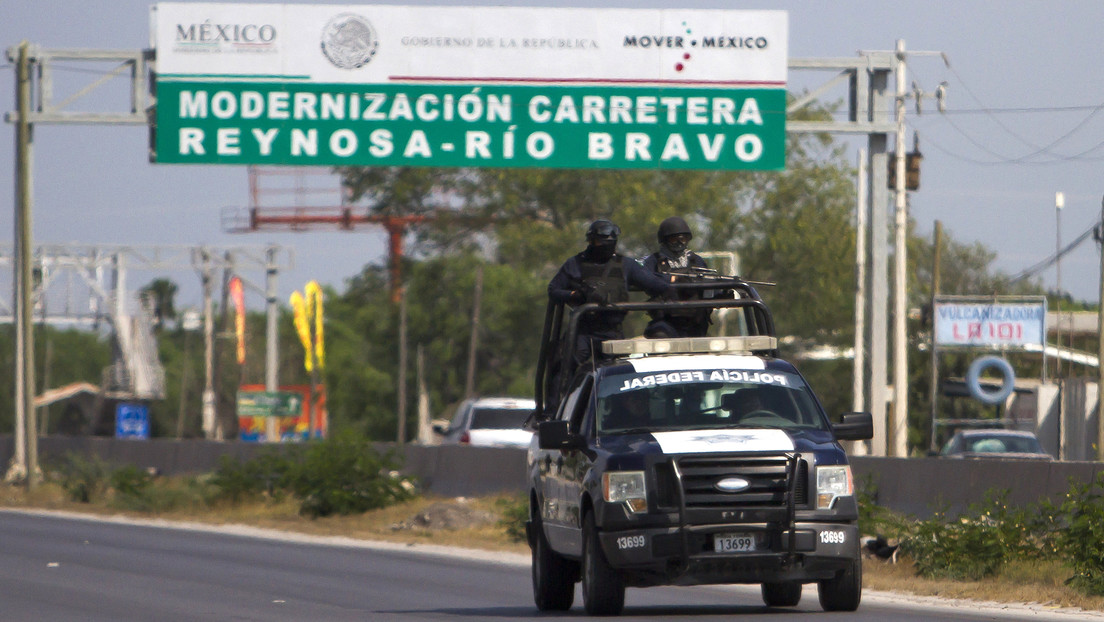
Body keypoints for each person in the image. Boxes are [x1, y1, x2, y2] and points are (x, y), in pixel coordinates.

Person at [548, 219, 674, 370]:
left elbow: (655, 284)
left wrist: (673, 279)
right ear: (591, 242)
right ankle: (562, 393)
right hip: (582, 330)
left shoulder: (626, 265)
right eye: (599, 242)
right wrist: (574, 295)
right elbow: (554, 290)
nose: (603, 247)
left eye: (609, 243)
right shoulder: (575, 263)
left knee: (617, 372)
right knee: (563, 366)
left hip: (611, 331)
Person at [643, 216, 711, 338]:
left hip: (695, 321)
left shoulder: (696, 261)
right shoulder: (654, 261)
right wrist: (672, 279)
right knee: (659, 335)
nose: (679, 243)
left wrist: (720, 291)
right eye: (674, 239)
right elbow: (646, 280)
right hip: (666, 320)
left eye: (683, 239)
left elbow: (708, 282)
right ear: (665, 240)